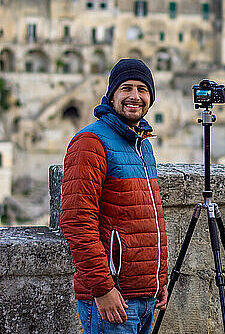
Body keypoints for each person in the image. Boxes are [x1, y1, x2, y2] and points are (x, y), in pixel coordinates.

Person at [60, 58, 168, 334]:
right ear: (112, 95)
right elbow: (76, 221)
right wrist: (102, 288)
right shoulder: (91, 142)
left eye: (143, 89)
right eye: (126, 88)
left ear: (151, 97)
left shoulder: (141, 144)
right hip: (113, 298)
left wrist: (158, 280)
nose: (135, 96)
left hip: (144, 296)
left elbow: (147, 218)